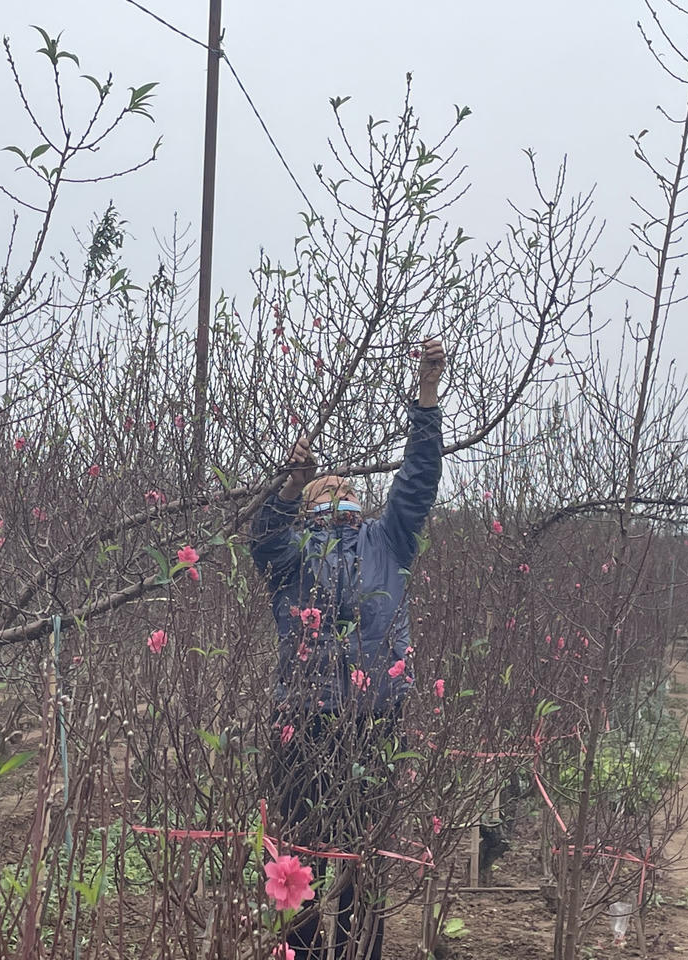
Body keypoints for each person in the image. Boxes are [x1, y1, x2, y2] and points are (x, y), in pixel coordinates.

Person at [251, 339, 445, 959]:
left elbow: (417, 481)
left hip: (374, 718)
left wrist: (427, 394)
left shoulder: (386, 540)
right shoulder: (291, 553)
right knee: (300, 864)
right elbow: (261, 537)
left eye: (342, 487)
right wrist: (287, 486)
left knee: (365, 859)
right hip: (302, 722)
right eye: (321, 490)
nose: (334, 495)